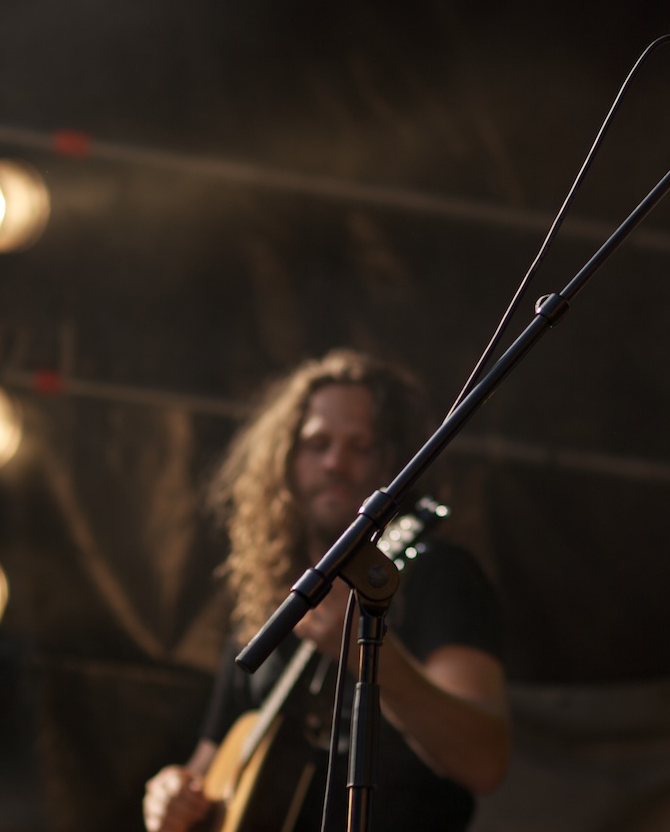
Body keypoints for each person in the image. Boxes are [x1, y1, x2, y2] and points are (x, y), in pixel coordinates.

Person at [143, 349, 510, 832]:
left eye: (362, 446)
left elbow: (484, 762)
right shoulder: (267, 595)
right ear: (285, 460)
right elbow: (209, 769)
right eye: (317, 444)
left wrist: (361, 650)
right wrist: (170, 794)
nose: (336, 463)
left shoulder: (439, 574)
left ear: (393, 461)